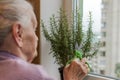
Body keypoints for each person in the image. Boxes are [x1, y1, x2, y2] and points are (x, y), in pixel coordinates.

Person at [0, 0, 88, 80]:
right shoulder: (32, 75)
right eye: (34, 29)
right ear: (19, 33)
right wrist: (72, 77)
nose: (37, 38)